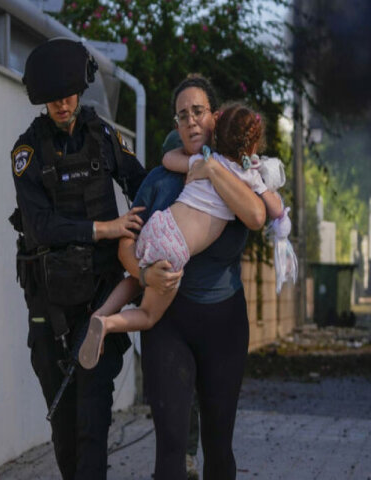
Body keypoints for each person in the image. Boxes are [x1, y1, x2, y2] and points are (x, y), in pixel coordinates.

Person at [10, 38, 146, 480]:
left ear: (81, 90)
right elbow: (39, 227)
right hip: (49, 309)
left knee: (93, 421)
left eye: (69, 94)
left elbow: (143, 187)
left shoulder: (105, 136)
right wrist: (104, 229)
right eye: (54, 97)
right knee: (65, 426)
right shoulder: (26, 153)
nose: (63, 104)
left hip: (99, 304)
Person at [119, 74, 266, 480]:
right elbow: (126, 247)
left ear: (215, 117)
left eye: (198, 111)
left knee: (219, 450)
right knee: (170, 451)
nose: (191, 121)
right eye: (182, 115)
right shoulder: (158, 181)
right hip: (169, 322)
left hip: (224, 322)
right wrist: (146, 274)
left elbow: (258, 215)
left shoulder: (240, 175)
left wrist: (212, 170)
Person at [78, 103, 283, 368]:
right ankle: (108, 324)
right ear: (252, 147)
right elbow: (274, 210)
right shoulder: (247, 178)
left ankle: (101, 312)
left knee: (137, 279)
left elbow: (168, 159)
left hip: (160, 223)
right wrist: (265, 180)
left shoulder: (205, 160)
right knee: (149, 315)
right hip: (175, 248)